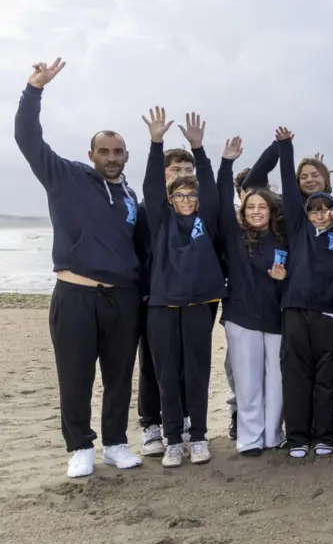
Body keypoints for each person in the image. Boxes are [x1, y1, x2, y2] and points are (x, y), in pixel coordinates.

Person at [15, 58, 144, 477]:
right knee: (75, 377)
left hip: (122, 297)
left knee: (120, 376)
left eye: (118, 151)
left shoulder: (129, 195)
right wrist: (34, 89)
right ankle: (79, 447)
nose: (111, 157)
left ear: (126, 156)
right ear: (91, 155)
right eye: (103, 151)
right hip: (75, 295)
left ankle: (117, 444)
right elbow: (27, 138)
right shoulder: (65, 177)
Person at [142, 109, 226, 467]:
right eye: (180, 196)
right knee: (166, 374)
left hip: (197, 305)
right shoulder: (161, 221)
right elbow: (149, 185)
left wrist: (199, 149)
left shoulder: (204, 221)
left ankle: (199, 437)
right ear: (170, 199)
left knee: (196, 372)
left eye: (192, 195)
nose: (187, 200)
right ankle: (172, 439)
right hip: (163, 306)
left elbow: (208, 186)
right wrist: (155, 143)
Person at [275, 127, 333, 459]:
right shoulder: (298, 227)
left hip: (331, 312)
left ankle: (323, 435)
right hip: (296, 310)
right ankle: (296, 437)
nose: (320, 214)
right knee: (296, 375)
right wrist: (285, 147)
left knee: (327, 375)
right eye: (314, 209)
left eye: (326, 209)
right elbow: (292, 193)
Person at [217, 137, 287, 456]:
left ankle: (273, 435)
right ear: (243, 210)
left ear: (271, 210)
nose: (257, 211)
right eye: (251, 207)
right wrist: (226, 162)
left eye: (262, 207)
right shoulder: (235, 235)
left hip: (275, 317)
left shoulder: (283, 237)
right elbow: (219, 198)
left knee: (276, 380)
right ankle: (250, 439)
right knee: (247, 381)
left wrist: (282, 148)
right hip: (242, 317)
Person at [136, 146, 196, 457]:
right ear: (163, 175)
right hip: (154, 298)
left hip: (190, 299)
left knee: (185, 362)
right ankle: (150, 425)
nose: (182, 175)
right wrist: (145, 291)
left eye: (188, 170)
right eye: (175, 170)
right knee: (152, 364)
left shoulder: (195, 209)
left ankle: (183, 420)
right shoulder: (149, 209)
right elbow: (139, 253)